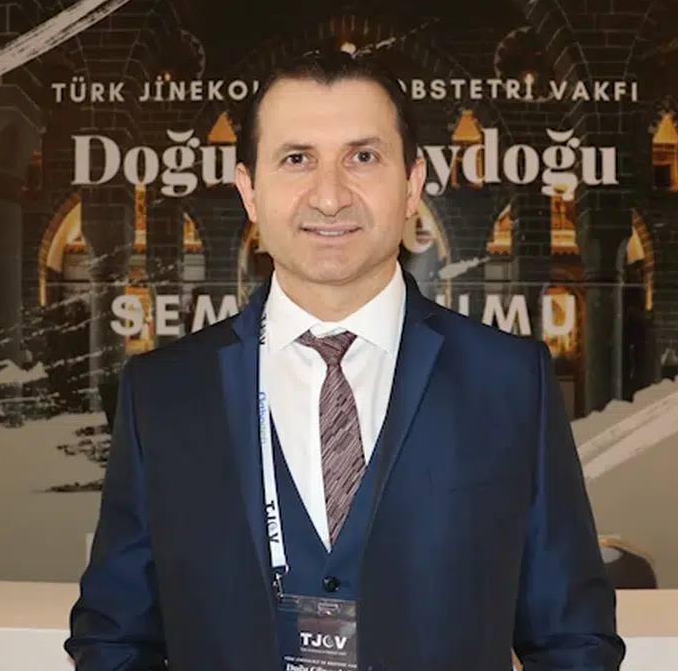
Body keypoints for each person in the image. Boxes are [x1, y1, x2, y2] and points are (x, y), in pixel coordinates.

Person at [66, 51, 625, 671]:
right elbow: (115, 636)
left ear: (410, 184)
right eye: (296, 159)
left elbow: (572, 638)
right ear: (249, 191)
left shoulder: (510, 381)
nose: (330, 197)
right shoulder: (164, 392)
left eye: (362, 157)